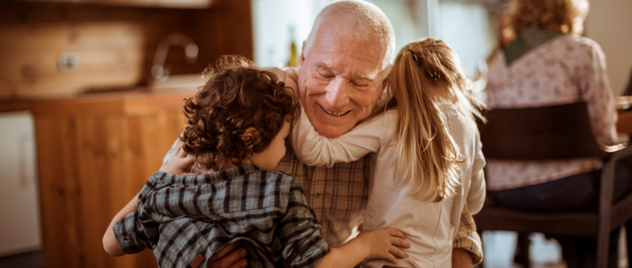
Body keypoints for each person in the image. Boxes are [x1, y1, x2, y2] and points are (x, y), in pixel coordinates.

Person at [163, 1, 484, 267]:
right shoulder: (250, 102)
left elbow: (456, 217)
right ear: (302, 58)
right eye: (324, 72)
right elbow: (166, 208)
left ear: (384, 84)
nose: (335, 98)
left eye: (360, 82)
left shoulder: (397, 121)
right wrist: (203, 261)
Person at [102, 56, 410, 268]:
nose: (285, 149)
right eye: (283, 138)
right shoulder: (279, 192)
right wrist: (367, 245)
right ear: (251, 138)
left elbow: (111, 242)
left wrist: (160, 178)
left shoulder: (170, 187)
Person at [289, 38, 487, 267]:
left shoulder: (392, 121)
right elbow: (474, 202)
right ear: (457, 79)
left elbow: (313, 151)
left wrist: (292, 91)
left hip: (385, 260)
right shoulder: (469, 128)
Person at [484, 0, 631, 267]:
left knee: (593, 181)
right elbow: (603, 132)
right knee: (621, 174)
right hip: (563, 190)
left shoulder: (501, 60)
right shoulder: (582, 51)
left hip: (503, 190)